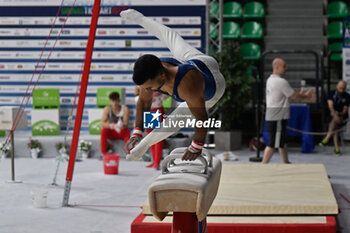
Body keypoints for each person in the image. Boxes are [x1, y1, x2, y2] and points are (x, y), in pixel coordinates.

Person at [120, 9, 225, 161]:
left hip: (215, 87)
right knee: (172, 38)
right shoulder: (153, 69)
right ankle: (140, 19)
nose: (147, 90)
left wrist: (196, 146)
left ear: (162, 75)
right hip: (198, 59)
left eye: (149, 87)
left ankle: (142, 147)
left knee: (173, 121)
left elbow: (202, 117)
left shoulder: (187, 83)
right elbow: (143, 102)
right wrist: (137, 131)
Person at [262, 58, 311, 164]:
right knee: (272, 143)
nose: (286, 68)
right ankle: (263, 166)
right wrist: (304, 95)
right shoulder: (280, 81)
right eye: (284, 66)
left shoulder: (270, 79)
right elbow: (293, 96)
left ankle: (286, 162)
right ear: (276, 67)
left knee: (282, 141)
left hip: (274, 113)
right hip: (277, 115)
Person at [134, 86, 168, 169]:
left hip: (157, 110)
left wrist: (160, 94)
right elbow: (137, 94)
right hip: (149, 110)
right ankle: (154, 161)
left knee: (158, 138)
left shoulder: (157, 84)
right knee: (150, 137)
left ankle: (157, 162)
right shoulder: (142, 86)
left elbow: (165, 96)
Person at [319, 80, 350, 155]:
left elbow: (345, 110)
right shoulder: (331, 93)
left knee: (335, 121)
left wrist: (339, 114)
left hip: (342, 117)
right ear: (336, 86)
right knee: (335, 124)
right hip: (332, 115)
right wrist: (334, 114)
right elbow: (330, 106)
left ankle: (327, 138)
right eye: (340, 88)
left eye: (343, 88)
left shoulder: (347, 96)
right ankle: (336, 149)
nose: (341, 90)